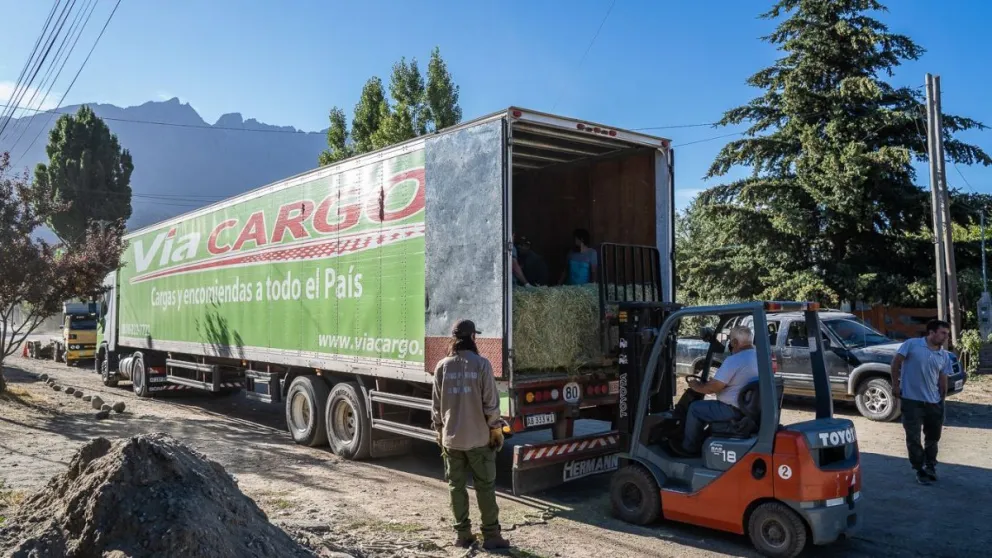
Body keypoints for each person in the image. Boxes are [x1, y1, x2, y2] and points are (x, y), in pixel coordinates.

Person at [431, 319, 510, 550]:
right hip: (478, 440)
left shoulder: (441, 366)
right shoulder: (482, 365)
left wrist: (438, 430)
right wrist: (495, 429)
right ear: (473, 338)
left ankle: (462, 535)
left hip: (451, 440)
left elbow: (436, 406)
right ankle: (492, 536)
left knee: (456, 487)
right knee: (485, 486)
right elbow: (491, 404)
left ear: (453, 339)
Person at [680, 326, 759, 455]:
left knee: (695, 408)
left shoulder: (734, 360)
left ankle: (689, 448)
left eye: (731, 342)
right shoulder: (758, 357)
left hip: (732, 410)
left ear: (734, 343)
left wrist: (696, 386)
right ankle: (702, 439)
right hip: (749, 408)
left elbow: (713, 388)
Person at [891, 319, 952, 485]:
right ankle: (919, 469)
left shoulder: (944, 355)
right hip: (912, 401)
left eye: (947, 334)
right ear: (931, 332)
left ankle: (931, 466)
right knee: (913, 437)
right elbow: (896, 362)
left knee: (933, 437)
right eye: (943, 333)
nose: (946, 337)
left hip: (934, 402)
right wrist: (895, 385)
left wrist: (942, 400)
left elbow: (943, 379)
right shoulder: (912, 345)